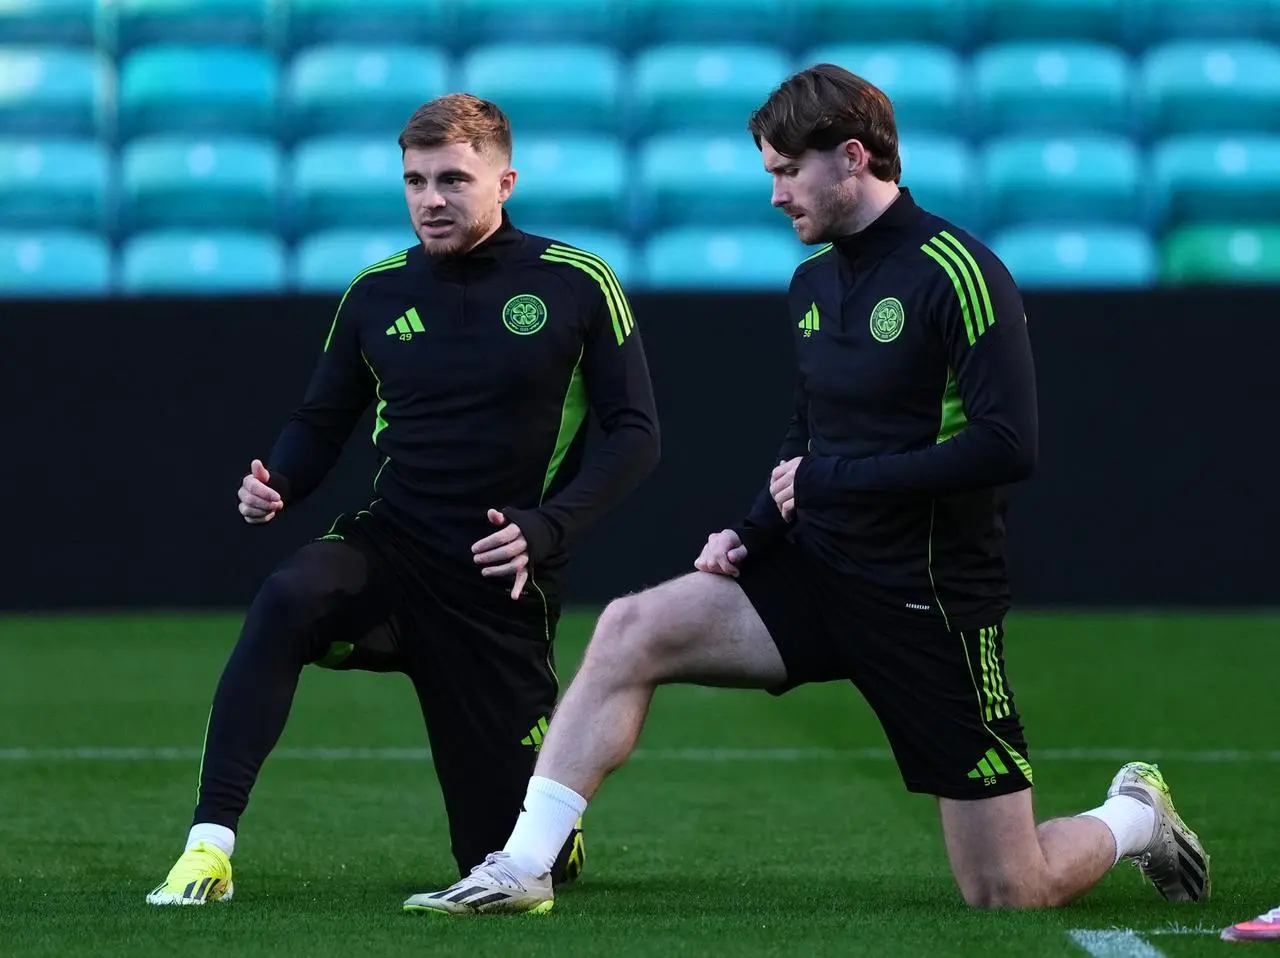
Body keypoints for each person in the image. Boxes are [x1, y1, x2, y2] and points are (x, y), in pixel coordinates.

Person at [401, 65, 1210, 916]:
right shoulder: (812, 283)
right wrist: (752, 530)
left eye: (787, 172)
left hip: (928, 599)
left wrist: (834, 481)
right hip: (819, 577)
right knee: (633, 626)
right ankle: (521, 865)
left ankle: (1132, 814)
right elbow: (808, 432)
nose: (777, 195)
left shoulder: (959, 270)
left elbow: (1008, 446)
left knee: (1009, 890)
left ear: (852, 157)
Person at [145, 93, 660, 905]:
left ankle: (552, 836)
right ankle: (208, 846)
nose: (432, 199)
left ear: (505, 181)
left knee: (509, 856)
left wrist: (548, 528)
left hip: (500, 583)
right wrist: (278, 481)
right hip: (392, 548)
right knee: (289, 596)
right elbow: (322, 420)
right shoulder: (376, 292)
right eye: (416, 181)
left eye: (453, 179)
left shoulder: (578, 282)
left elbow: (636, 435)